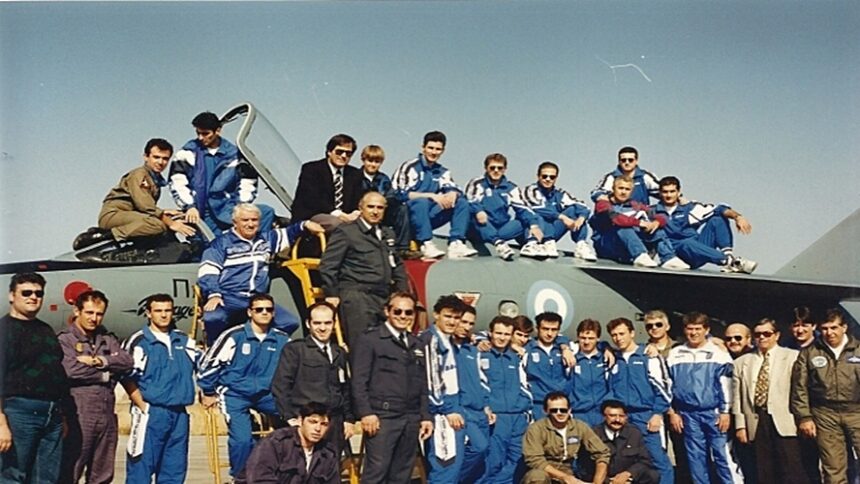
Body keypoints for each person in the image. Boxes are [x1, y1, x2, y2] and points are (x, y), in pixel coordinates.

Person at [196, 294, 292, 477]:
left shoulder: (282, 339)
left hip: (267, 394)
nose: (264, 313)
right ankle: (241, 477)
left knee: (297, 426)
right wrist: (208, 391)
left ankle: (284, 473)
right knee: (242, 440)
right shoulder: (234, 336)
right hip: (235, 394)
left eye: (269, 309)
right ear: (250, 312)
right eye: (259, 309)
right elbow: (208, 365)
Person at [198, 203, 319, 344]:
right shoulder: (221, 243)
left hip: (257, 299)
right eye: (245, 220)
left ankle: (259, 347)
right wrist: (214, 294)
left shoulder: (266, 239)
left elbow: (289, 232)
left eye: (254, 220)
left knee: (288, 322)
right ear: (235, 222)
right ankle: (215, 348)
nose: (250, 224)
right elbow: (208, 270)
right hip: (229, 296)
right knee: (213, 319)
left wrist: (305, 224)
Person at [350, 292, 433, 484]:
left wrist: (425, 416)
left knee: (402, 474)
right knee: (376, 472)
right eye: (398, 311)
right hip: (383, 417)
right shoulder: (371, 340)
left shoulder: (417, 344)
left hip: (410, 417)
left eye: (408, 312)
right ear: (387, 311)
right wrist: (366, 413)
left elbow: (422, 383)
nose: (403, 316)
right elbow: (359, 381)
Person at [120, 293, 200, 483]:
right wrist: (142, 405)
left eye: (167, 310)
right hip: (151, 413)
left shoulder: (184, 341)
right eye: (158, 311)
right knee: (141, 468)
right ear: (148, 313)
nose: (163, 315)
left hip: (179, 413)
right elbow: (125, 375)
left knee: (174, 469)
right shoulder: (139, 341)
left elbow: (204, 367)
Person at [57, 290, 132, 484]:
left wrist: (99, 360)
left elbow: (126, 361)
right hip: (79, 414)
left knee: (103, 473)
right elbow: (71, 370)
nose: (94, 318)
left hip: (106, 413)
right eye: (89, 313)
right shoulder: (65, 340)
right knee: (71, 470)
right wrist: (106, 373)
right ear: (77, 311)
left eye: (99, 314)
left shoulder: (106, 339)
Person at [0, 273, 67, 483]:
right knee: (12, 476)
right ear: (12, 296)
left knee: (47, 478)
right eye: (26, 293)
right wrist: (1, 424)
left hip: (52, 414)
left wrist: (62, 416)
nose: (33, 297)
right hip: (18, 413)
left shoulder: (46, 330)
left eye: (39, 293)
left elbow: (56, 371)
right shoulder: (3, 330)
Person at [319, 191, 408, 345]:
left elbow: (397, 265)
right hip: (357, 297)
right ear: (361, 208)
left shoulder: (388, 234)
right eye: (370, 207)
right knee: (362, 346)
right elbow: (328, 264)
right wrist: (331, 293)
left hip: (384, 297)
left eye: (380, 208)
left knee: (388, 346)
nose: (375, 211)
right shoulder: (347, 232)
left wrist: (403, 294)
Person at [169, 111, 275, 234]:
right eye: (198, 133)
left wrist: (241, 206)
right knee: (212, 244)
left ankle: (259, 246)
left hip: (228, 208)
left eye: (205, 133)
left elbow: (247, 182)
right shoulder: (187, 153)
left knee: (267, 212)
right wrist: (190, 207)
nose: (200, 138)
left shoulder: (235, 155)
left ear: (218, 131)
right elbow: (177, 181)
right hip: (201, 213)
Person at [732, 318, 810, 484]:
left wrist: (804, 418)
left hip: (785, 420)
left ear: (777, 335)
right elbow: (737, 397)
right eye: (758, 334)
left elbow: (802, 391)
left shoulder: (793, 357)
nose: (762, 337)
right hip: (756, 420)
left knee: (792, 470)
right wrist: (740, 426)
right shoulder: (741, 362)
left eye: (767, 334)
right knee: (764, 471)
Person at [80, 138, 195, 248]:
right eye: (156, 157)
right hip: (114, 214)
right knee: (157, 224)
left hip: (129, 214)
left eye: (165, 159)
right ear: (146, 157)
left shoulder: (154, 180)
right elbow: (146, 207)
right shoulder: (140, 175)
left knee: (163, 221)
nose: (161, 162)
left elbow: (144, 207)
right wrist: (172, 224)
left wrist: (165, 212)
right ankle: (103, 236)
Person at [666, 312, 740, 484]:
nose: (694, 333)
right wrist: (673, 412)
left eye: (698, 329)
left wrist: (725, 411)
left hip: (713, 413)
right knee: (696, 458)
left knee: (722, 455)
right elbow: (668, 385)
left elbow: (726, 384)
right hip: (687, 414)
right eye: (690, 329)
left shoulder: (718, 353)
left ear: (706, 330)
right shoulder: (675, 353)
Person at [272, 302, 354, 456]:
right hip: (307, 421)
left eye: (327, 323)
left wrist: (349, 419)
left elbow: (344, 388)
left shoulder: (339, 352)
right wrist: (290, 417)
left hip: (334, 423)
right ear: (308, 324)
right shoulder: (295, 350)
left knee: (333, 466)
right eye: (317, 323)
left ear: (334, 323)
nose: (322, 328)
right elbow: (280, 385)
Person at [790, 308, 860, 484]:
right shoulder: (810, 352)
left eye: (834, 328)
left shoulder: (858, 350)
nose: (829, 333)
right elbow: (799, 388)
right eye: (825, 328)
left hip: (856, 411)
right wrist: (804, 417)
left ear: (844, 328)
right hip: (825, 414)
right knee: (833, 467)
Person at [607, 317, 674, 484]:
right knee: (625, 461)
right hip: (622, 418)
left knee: (658, 460)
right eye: (614, 335)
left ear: (632, 333)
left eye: (622, 333)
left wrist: (657, 414)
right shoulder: (613, 359)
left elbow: (665, 389)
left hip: (646, 417)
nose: (618, 338)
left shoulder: (648, 356)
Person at [392, 131, 478, 259]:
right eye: (430, 148)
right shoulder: (410, 167)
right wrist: (431, 195)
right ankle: (426, 243)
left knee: (461, 201)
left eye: (438, 149)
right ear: (423, 147)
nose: (434, 152)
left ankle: (456, 243)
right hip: (408, 218)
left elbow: (453, 188)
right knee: (421, 202)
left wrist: (453, 193)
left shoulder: (442, 171)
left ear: (443, 151)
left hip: (428, 217)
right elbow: (398, 194)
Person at [652, 176, 757, 274]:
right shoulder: (653, 211)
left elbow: (719, 209)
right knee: (686, 243)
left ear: (678, 192)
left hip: (699, 249)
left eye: (672, 191)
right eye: (665, 192)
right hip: (679, 256)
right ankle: (730, 261)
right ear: (660, 193)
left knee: (717, 219)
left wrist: (738, 217)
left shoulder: (689, 208)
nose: (668, 195)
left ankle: (728, 257)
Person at [590, 176, 689, 269]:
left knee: (656, 230)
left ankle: (668, 258)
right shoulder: (603, 204)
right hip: (607, 245)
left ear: (631, 191)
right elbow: (616, 218)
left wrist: (656, 223)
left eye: (627, 189)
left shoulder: (635, 205)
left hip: (625, 247)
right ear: (613, 189)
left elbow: (659, 217)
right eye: (620, 188)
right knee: (624, 227)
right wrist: (639, 223)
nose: (623, 192)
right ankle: (640, 255)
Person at [479, 315, 533, 484]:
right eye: (498, 333)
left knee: (519, 461)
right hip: (496, 418)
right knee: (493, 462)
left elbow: (525, 384)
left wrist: (525, 407)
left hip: (518, 417)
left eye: (506, 334)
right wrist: (487, 407)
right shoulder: (481, 355)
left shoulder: (518, 357)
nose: (502, 338)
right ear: (490, 333)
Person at [234, 402, 340, 484]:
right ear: (300, 421)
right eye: (313, 422)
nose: (318, 429)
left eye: (324, 424)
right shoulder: (275, 443)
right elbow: (259, 479)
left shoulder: (328, 453)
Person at [511, 161, 597, 260]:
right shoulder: (529, 191)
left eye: (552, 177)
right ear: (538, 176)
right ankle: (535, 244)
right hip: (530, 232)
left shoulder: (559, 194)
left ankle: (580, 244)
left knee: (574, 210)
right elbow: (537, 208)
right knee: (537, 215)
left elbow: (582, 206)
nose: (548, 179)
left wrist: (581, 217)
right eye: (544, 176)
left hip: (551, 231)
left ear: (556, 178)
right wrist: (562, 217)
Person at [422, 295, 467, 484]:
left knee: (456, 464)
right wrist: (447, 410)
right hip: (440, 412)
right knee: (445, 463)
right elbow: (431, 381)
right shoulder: (430, 340)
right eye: (448, 316)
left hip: (454, 406)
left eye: (456, 318)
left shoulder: (448, 340)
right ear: (436, 314)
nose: (452, 322)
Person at [521, 391, 610, 484]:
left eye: (563, 410)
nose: (559, 413)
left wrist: (597, 481)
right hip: (544, 471)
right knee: (537, 476)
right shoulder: (536, 429)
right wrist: (564, 477)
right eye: (554, 410)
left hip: (568, 470)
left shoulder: (580, 426)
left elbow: (602, 453)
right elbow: (534, 460)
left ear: (569, 410)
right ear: (546, 411)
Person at [452, 305, 494, 483]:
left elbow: (480, 380)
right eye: (464, 322)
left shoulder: (472, 349)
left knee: (483, 460)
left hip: (479, 410)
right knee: (478, 447)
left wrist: (486, 405)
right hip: (462, 409)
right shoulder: (446, 348)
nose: (467, 327)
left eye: (471, 323)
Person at [291, 133, 364, 231]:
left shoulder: (355, 174)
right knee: (338, 224)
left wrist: (356, 213)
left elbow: (358, 199)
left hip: (346, 217)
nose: (343, 156)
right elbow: (312, 199)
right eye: (339, 152)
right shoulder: (311, 169)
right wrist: (339, 214)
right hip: (314, 215)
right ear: (329, 152)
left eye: (348, 153)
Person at [579, 399, 660, 484]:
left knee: (652, 475)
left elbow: (645, 461)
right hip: (602, 480)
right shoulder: (593, 434)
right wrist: (609, 481)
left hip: (627, 479)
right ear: (604, 417)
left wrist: (629, 474)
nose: (617, 420)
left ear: (626, 417)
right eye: (612, 416)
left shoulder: (634, 433)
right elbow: (585, 466)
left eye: (621, 416)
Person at [464, 153, 525, 260]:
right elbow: (470, 200)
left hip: (499, 228)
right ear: (486, 168)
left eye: (500, 168)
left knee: (522, 222)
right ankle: (498, 243)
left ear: (505, 169)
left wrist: (534, 225)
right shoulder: (478, 183)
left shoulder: (511, 188)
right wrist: (479, 211)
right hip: (480, 226)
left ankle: (531, 244)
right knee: (475, 216)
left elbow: (523, 209)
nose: (496, 171)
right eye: (492, 168)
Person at [359, 144, 413, 253]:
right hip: (362, 212)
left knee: (402, 209)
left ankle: (403, 248)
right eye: (370, 161)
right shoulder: (356, 176)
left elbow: (391, 196)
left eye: (377, 162)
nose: (373, 164)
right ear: (363, 160)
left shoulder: (383, 179)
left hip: (381, 212)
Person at [524, 312, 570, 419]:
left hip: (560, 405)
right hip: (537, 405)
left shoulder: (567, 348)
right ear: (537, 329)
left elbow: (597, 344)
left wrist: (607, 348)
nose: (549, 333)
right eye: (545, 329)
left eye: (554, 330)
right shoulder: (526, 349)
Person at [568, 319, 611, 427]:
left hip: (602, 414)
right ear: (578, 337)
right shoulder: (571, 358)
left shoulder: (606, 358)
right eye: (583, 338)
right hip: (579, 413)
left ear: (598, 338)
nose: (586, 342)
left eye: (591, 338)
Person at [591, 146, 660, 204]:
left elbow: (663, 191)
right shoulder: (611, 177)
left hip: (640, 213)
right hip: (617, 214)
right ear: (619, 161)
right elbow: (595, 193)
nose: (627, 163)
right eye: (623, 160)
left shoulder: (644, 176)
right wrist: (610, 199)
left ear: (636, 161)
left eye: (630, 160)